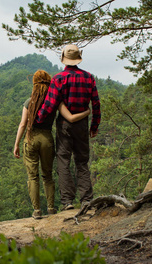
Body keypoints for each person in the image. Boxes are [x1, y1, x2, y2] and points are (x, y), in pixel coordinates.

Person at [13, 69, 90, 219]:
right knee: (47, 176)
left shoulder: (29, 102)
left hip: (31, 138)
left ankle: (36, 211)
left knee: (33, 177)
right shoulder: (55, 101)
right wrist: (87, 112)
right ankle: (51, 208)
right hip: (47, 140)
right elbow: (70, 117)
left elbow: (23, 124)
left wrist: (16, 144)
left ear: (34, 84)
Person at [35, 44, 101, 211]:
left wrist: (38, 119)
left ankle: (67, 201)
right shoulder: (89, 78)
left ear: (64, 58)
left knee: (63, 161)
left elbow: (50, 104)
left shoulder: (59, 79)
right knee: (82, 161)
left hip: (64, 124)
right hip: (82, 124)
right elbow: (96, 104)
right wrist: (94, 125)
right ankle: (86, 200)